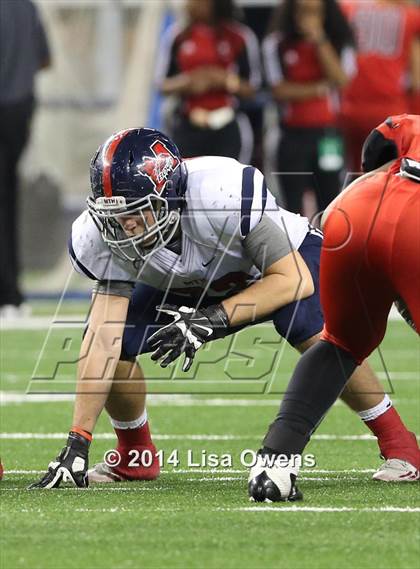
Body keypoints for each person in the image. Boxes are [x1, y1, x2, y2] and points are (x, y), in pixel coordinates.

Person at [30, 127, 417, 489]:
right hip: (185, 282)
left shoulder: (222, 191)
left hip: (274, 265)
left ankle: (400, 444)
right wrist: (77, 441)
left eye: (135, 213)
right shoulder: (101, 234)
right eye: (114, 215)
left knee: (316, 330)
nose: (124, 228)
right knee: (114, 340)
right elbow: (102, 339)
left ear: (171, 195)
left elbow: (292, 279)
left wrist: (209, 320)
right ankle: (134, 453)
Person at [248, 114, 420, 502]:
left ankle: (273, 465)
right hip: (412, 226)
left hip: (352, 209)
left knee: (340, 344)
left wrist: (383, 188)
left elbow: (380, 139)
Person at [262, 0, 356, 215]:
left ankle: (328, 245)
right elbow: (279, 90)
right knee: (291, 202)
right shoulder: (276, 44)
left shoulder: (339, 42)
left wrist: (320, 41)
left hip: (328, 136)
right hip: (292, 135)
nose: (308, 18)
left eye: (315, 12)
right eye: (304, 12)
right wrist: (318, 89)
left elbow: (341, 79)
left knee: (331, 197)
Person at [155, 0, 260, 163]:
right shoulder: (177, 36)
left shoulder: (239, 36)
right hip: (188, 124)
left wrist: (224, 79)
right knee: (187, 182)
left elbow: (252, 88)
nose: (191, 5)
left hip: (227, 124)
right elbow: (162, 84)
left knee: (228, 183)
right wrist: (189, 82)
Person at [0, 0, 51, 317]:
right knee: (7, 198)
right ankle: (11, 294)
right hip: (19, 110)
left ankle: (7, 292)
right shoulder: (27, 7)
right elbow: (45, 59)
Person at [340, 0, 420, 172]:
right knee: (392, 179)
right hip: (392, 113)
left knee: (354, 177)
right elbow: (415, 80)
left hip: (349, 108)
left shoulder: (346, 8)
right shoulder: (410, 16)